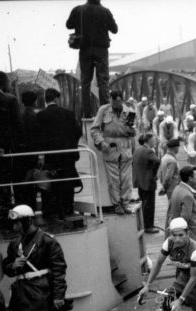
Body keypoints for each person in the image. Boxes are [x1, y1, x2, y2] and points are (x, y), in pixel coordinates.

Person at [66, 0, 118, 118]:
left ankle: (87, 113)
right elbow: (114, 29)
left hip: (85, 49)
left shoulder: (78, 9)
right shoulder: (105, 11)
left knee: (85, 82)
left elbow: (69, 25)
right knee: (103, 81)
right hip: (101, 50)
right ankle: (105, 113)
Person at [36, 88, 82, 218]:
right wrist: (71, 146)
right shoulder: (68, 114)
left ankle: (52, 211)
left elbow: (39, 137)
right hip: (67, 156)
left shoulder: (41, 115)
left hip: (50, 157)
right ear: (56, 98)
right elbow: (78, 132)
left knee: (51, 183)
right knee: (67, 183)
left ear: (46, 99)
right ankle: (68, 209)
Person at [90, 89, 137, 215]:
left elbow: (133, 132)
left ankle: (125, 203)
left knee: (126, 179)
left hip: (125, 148)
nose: (116, 104)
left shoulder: (129, 112)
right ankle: (117, 204)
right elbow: (94, 129)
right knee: (113, 180)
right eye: (114, 101)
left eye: (119, 101)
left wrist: (132, 131)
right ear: (110, 99)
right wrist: (101, 142)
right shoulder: (103, 110)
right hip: (110, 148)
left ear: (122, 100)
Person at [0, 71, 24, 226]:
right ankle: (4, 219)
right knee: (3, 184)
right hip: (1, 151)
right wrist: (1, 146)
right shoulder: (3, 100)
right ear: (3, 82)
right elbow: (3, 127)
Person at [133, 134, 160, 234]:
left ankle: (144, 224)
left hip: (140, 181)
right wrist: (154, 172)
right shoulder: (148, 151)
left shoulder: (138, 149)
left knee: (144, 203)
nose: (155, 142)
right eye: (154, 140)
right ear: (148, 141)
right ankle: (148, 226)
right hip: (147, 182)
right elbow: (157, 161)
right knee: (149, 205)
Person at [169, 166, 196, 241]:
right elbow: (185, 218)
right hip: (191, 236)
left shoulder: (177, 188)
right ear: (190, 179)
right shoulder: (187, 195)